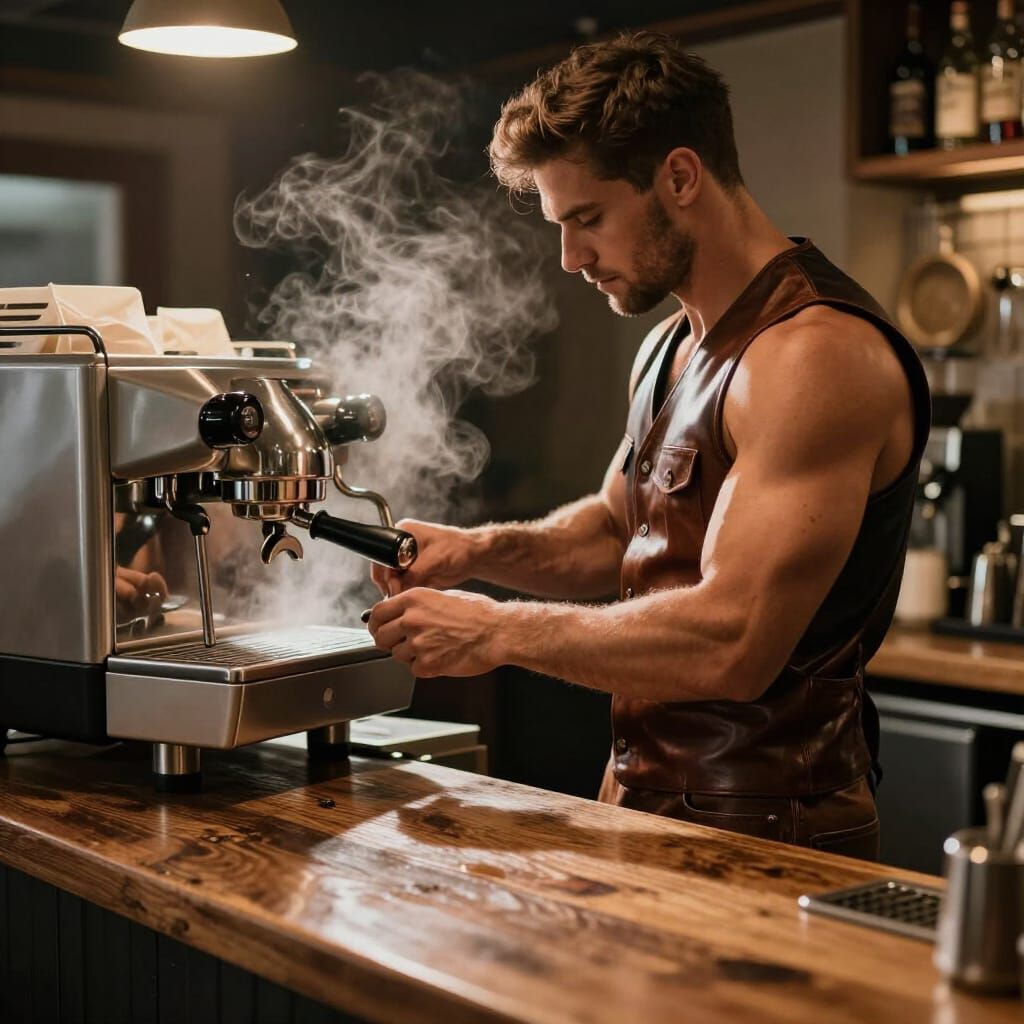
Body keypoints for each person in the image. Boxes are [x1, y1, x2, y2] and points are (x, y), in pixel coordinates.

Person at [366, 31, 929, 860]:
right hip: (644, 803)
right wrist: (474, 551)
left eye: (588, 218)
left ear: (679, 176)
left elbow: (734, 640)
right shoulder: (671, 344)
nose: (571, 257)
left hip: (773, 831)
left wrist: (496, 632)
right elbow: (612, 529)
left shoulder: (815, 356)